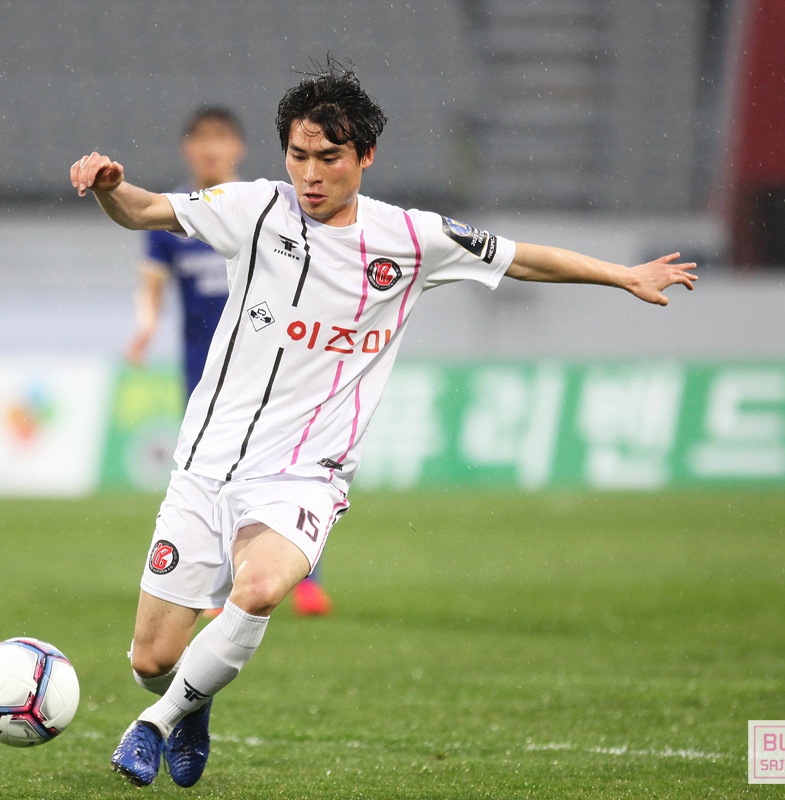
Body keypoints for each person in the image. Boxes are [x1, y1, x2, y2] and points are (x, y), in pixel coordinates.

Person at [70, 61, 696, 789]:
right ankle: (187, 700)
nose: (311, 174)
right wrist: (110, 187)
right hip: (206, 462)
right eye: (298, 155)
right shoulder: (253, 208)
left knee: (262, 588)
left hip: (305, 471)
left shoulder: (410, 238)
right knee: (152, 660)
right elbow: (145, 211)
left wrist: (622, 274)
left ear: (365, 156)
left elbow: (523, 260)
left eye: (329, 157)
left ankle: (151, 725)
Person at [125, 106, 334, 617]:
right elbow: (151, 286)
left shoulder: (266, 208)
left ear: (238, 148)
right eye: (201, 139)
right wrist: (145, 327)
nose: (210, 149)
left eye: (220, 139)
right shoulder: (171, 219)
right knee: (214, 474)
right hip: (205, 372)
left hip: (273, 365)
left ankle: (304, 579)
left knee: (290, 469)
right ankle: (218, 584)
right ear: (187, 148)